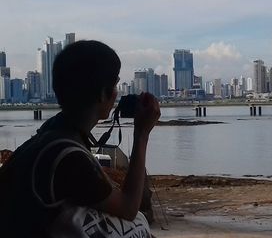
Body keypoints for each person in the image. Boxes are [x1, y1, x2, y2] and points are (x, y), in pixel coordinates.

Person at [0, 40, 160, 237]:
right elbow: (128, 208)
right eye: (115, 84)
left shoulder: (51, 135)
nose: (117, 94)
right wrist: (142, 135)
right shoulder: (68, 157)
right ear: (103, 93)